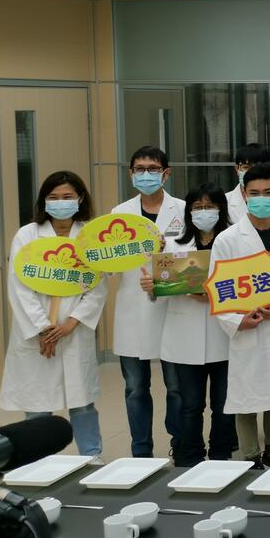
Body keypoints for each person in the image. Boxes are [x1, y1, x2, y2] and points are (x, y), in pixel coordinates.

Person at [0, 171, 106, 462]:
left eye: (67, 196)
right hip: (37, 333)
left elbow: (98, 286)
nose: (60, 202)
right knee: (38, 405)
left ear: (80, 199)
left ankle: (92, 459)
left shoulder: (89, 236)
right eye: (53, 197)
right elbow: (19, 287)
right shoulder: (27, 235)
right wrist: (44, 328)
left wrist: (71, 323)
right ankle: (36, 463)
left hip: (74, 331)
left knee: (82, 403)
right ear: (44, 201)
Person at [212, 163, 270, 469]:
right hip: (246, 326)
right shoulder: (228, 239)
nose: (261, 199)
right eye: (254, 193)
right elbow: (218, 287)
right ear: (243, 194)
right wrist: (238, 320)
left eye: (268, 192)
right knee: (247, 393)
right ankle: (251, 457)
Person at [149, 183, 235, 468]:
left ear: (221, 209)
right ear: (188, 212)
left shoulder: (234, 242)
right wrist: (152, 285)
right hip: (184, 337)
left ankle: (221, 456)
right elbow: (160, 288)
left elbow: (245, 283)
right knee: (190, 404)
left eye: (210, 206)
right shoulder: (173, 245)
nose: (203, 212)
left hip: (224, 333)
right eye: (197, 207)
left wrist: (212, 294)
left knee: (223, 404)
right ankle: (189, 457)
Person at [112, 145, 185, 458]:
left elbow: (192, 259)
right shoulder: (118, 214)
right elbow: (109, 262)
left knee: (177, 387)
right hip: (133, 309)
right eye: (139, 169)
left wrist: (165, 256)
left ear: (166, 173)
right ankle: (141, 451)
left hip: (173, 308)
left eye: (153, 169)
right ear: (130, 174)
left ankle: (180, 444)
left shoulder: (183, 210)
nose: (146, 175)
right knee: (135, 387)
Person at [225, 143, 270, 224]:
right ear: (237, 169)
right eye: (246, 167)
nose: (253, 172)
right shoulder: (225, 201)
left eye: (259, 167)